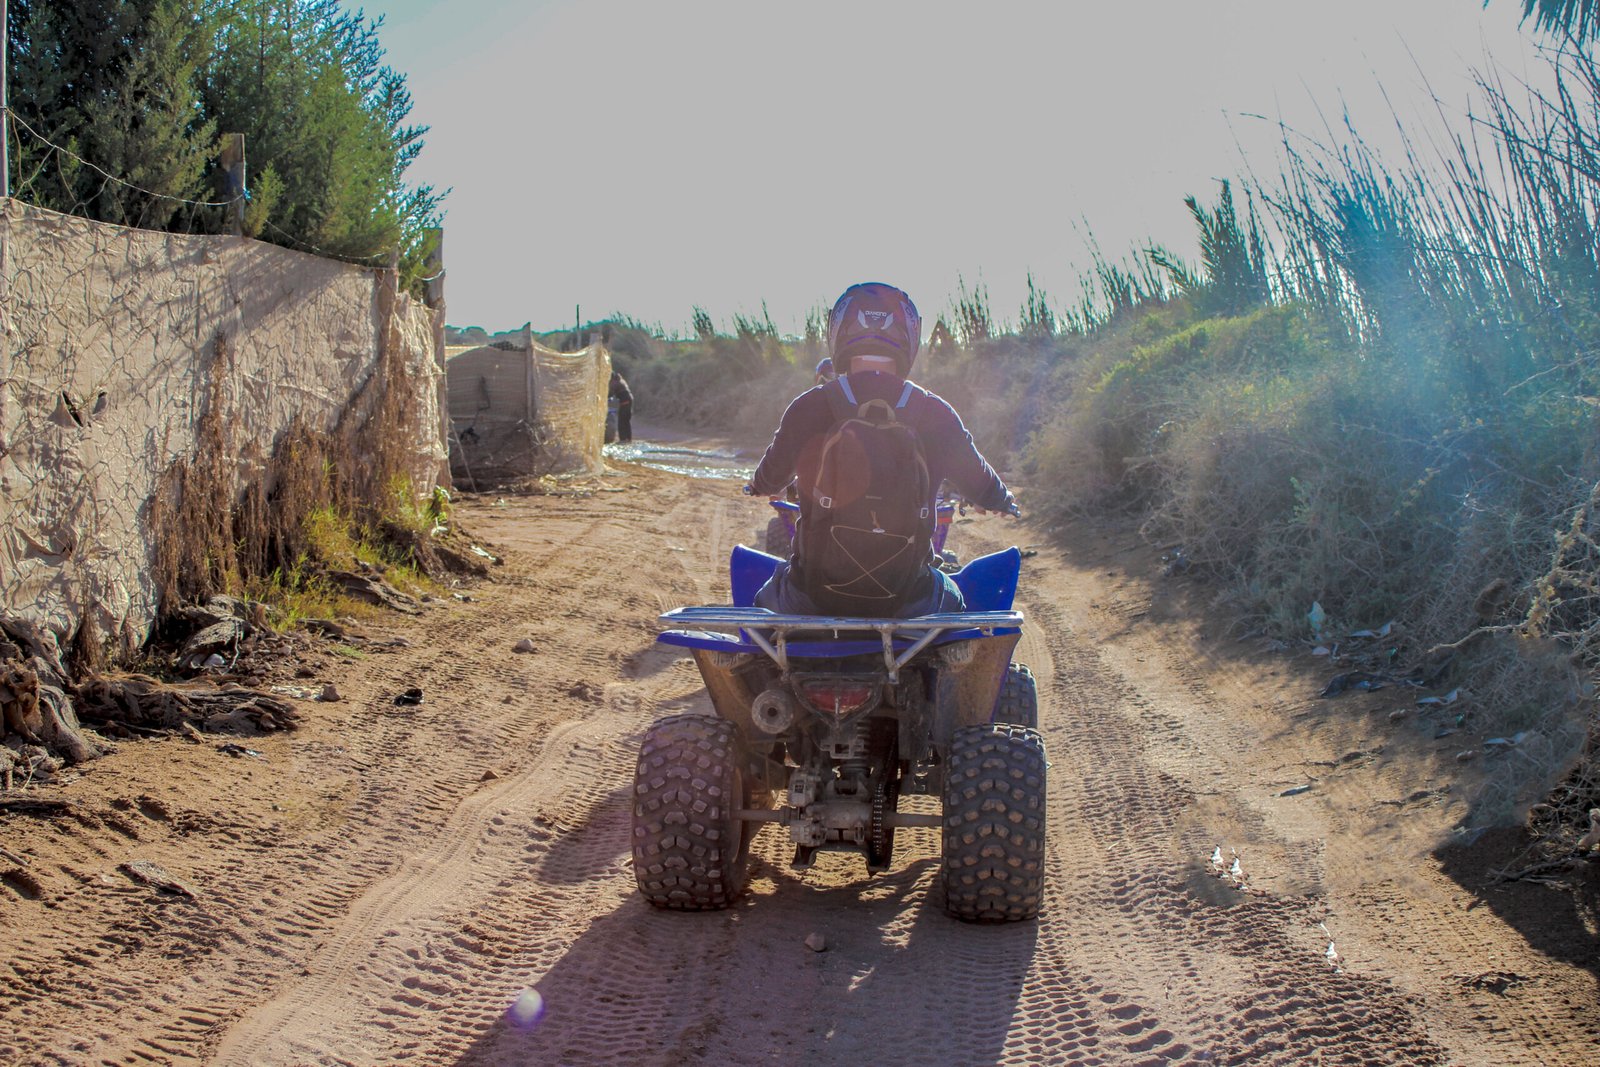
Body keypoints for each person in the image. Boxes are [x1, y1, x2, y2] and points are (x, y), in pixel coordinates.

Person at [745, 282, 1015, 617]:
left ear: (839, 331)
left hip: (811, 597)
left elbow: (770, 477)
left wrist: (756, 486)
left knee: (759, 607)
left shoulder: (809, 406)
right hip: (910, 601)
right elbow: (983, 482)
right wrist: (1001, 501)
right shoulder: (935, 411)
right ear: (909, 336)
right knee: (957, 605)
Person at [608, 369, 634, 443]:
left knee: (622, 421)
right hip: (629, 400)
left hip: (625, 401)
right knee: (626, 421)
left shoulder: (615, 382)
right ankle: (628, 439)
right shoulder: (620, 380)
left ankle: (623, 439)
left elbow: (610, 393)